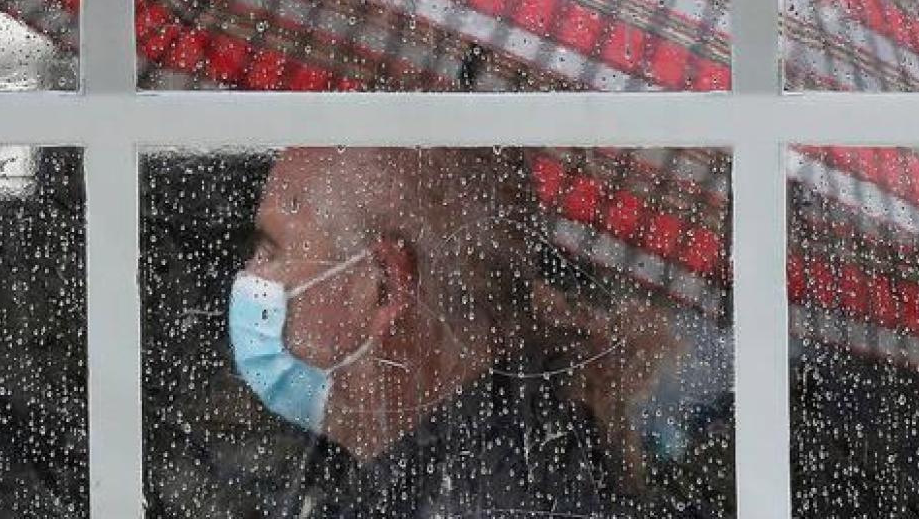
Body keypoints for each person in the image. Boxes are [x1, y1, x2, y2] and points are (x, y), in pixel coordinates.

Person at [229, 146, 632, 519]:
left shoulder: (485, 497)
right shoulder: (405, 466)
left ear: (384, 285)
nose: (248, 276)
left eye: (271, 251)